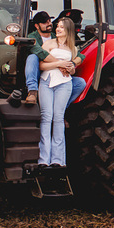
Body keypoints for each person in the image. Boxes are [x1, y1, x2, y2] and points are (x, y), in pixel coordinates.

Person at [37, 16, 80, 167]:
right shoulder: (48, 43)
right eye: (58, 26)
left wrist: (70, 68)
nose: (58, 29)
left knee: (58, 118)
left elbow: (73, 70)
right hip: (47, 81)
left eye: (61, 27)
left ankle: (58, 160)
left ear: (68, 30)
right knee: (46, 117)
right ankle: (43, 159)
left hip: (64, 84)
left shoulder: (72, 48)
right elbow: (41, 66)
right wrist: (59, 63)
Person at [24, 11, 86, 106]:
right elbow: (42, 54)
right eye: (45, 22)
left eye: (49, 21)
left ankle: (61, 110)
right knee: (32, 57)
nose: (49, 24)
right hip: (42, 75)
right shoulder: (32, 37)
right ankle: (32, 91)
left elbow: (80, 56)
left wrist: (71, 64)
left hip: (60, 76)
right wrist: (61, 64)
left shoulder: (56, 36)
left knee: (81, 83)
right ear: (37, 26)